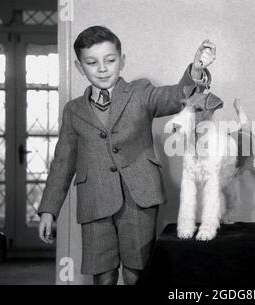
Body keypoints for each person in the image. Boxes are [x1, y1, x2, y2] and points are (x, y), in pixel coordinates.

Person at [37, 25, 216, 285]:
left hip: (139, 198)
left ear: (122, 61)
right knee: (103, 274)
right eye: (91, 62)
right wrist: (48, 211)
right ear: (79, 67)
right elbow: (62, 163)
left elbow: (177, 95)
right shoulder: (73, 110)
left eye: (109, 60)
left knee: (137, 271)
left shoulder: (141, 92)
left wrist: (196, 70)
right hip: (94, 201)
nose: (102, 68)